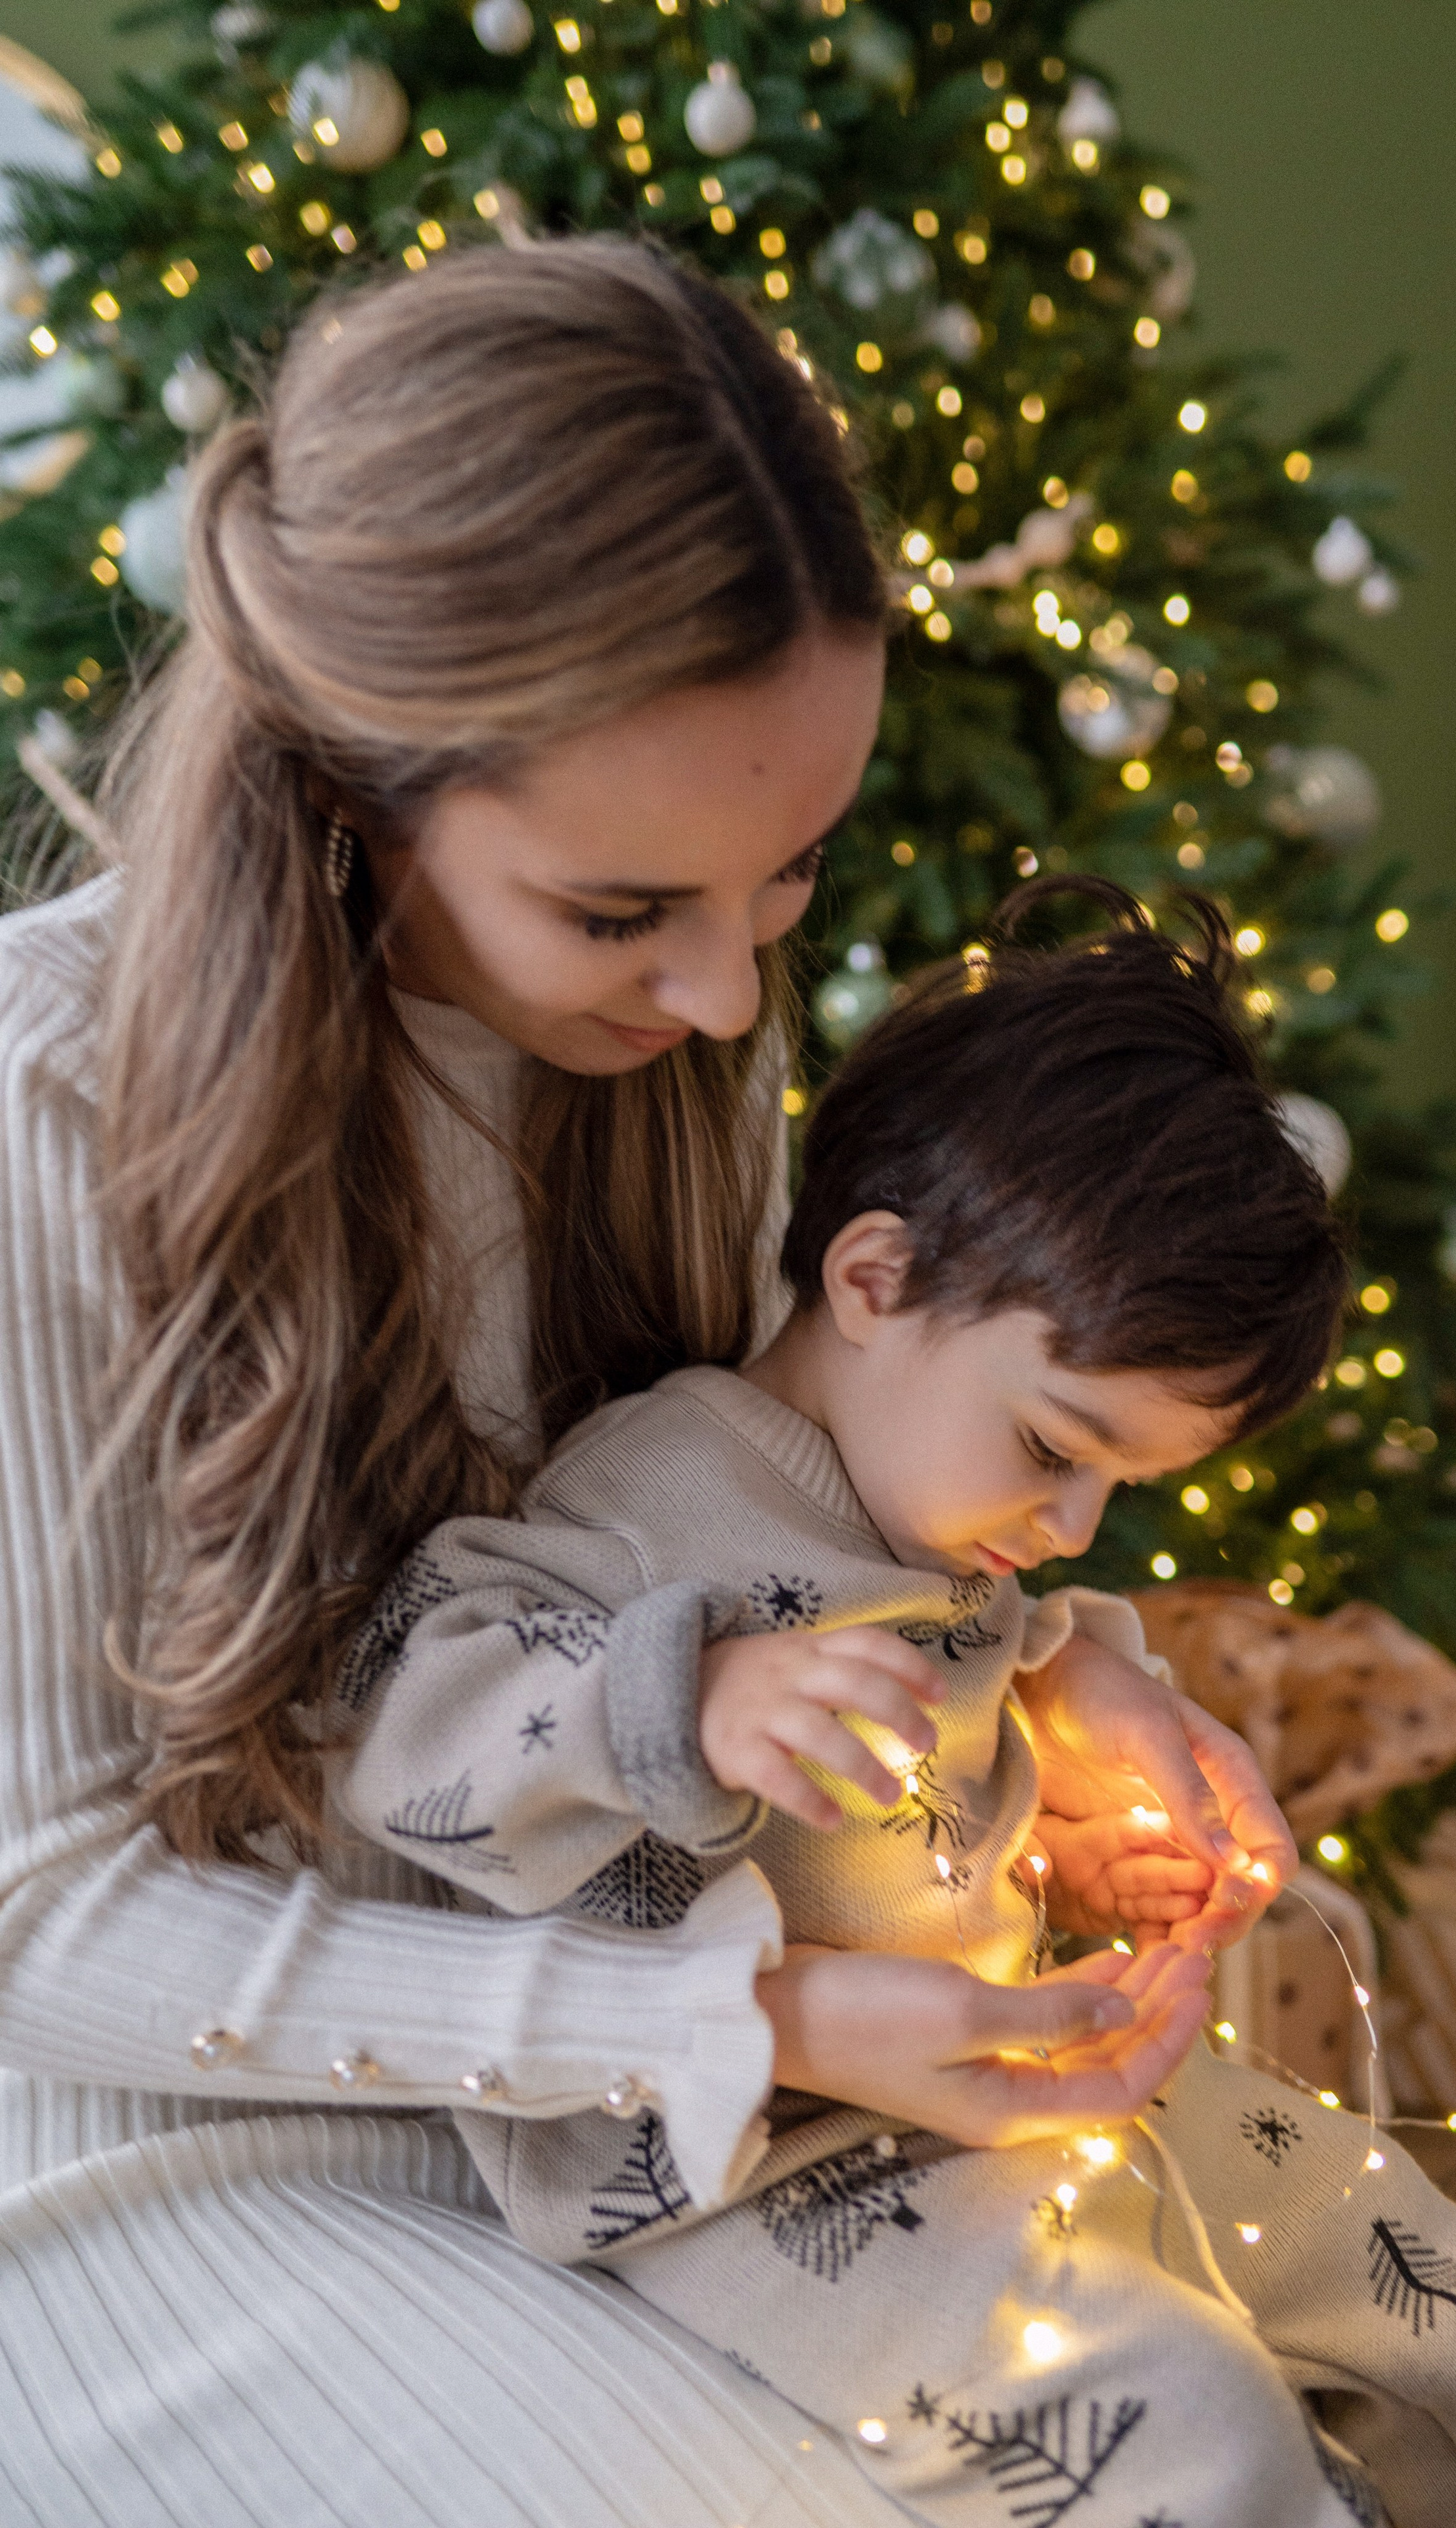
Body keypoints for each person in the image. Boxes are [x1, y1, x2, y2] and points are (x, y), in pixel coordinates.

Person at [0, 238, 1297, 2528]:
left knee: (1239, 2359)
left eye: (783, 875)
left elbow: (714, 1537)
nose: (720, 996)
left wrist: (1054, 1663)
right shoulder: (46, 1110)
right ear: (353, 768)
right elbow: (45, 1929)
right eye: (623, 909)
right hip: (142, 2163)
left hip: (594, 2112)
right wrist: (752, 2023)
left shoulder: (669, 1050)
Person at [331, 895, 1456, 2528]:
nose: (1075, 1521)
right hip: (769, 2163)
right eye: (1055, 1448)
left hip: (1040, 2071)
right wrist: (689, 1695)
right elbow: (401, 1713)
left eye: (1121, 1480)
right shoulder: (649, 1499)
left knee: (1401, 2268)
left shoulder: (943, 1521)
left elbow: (983, 1717)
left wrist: (1091, 1800)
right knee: (1179, 2422)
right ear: (874, 1276)